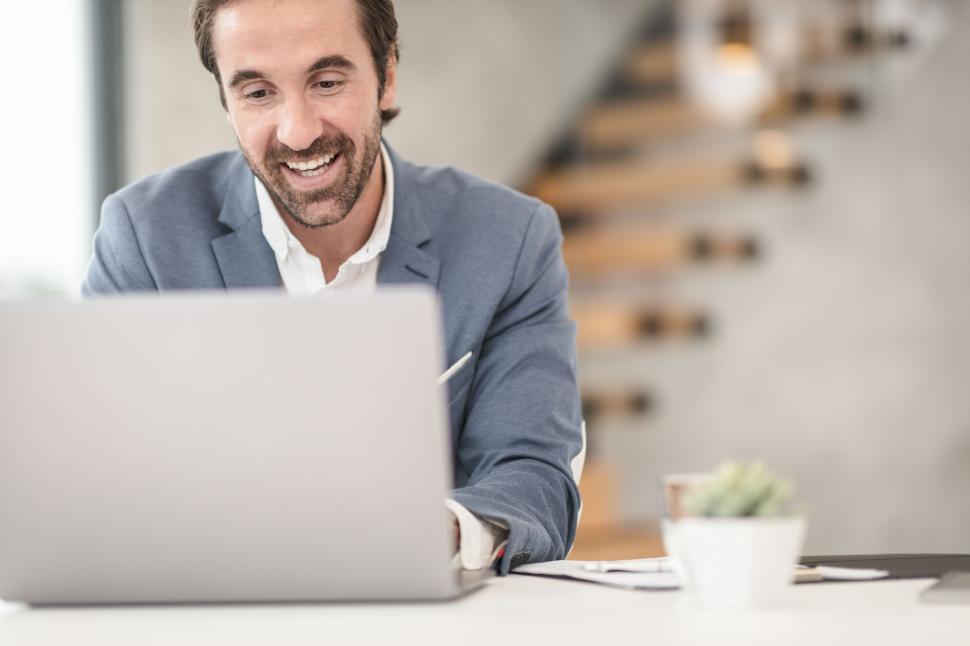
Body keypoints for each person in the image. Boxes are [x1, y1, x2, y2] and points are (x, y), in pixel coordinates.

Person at [82, 0, 582, 575]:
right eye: (258, 93)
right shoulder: (145, 236)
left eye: (326, 82)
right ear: (226, 101)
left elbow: (534, 476)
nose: (298, 132)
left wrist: (435, 534)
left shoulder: (508, 239)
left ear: (386, 76)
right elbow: (104, 474)